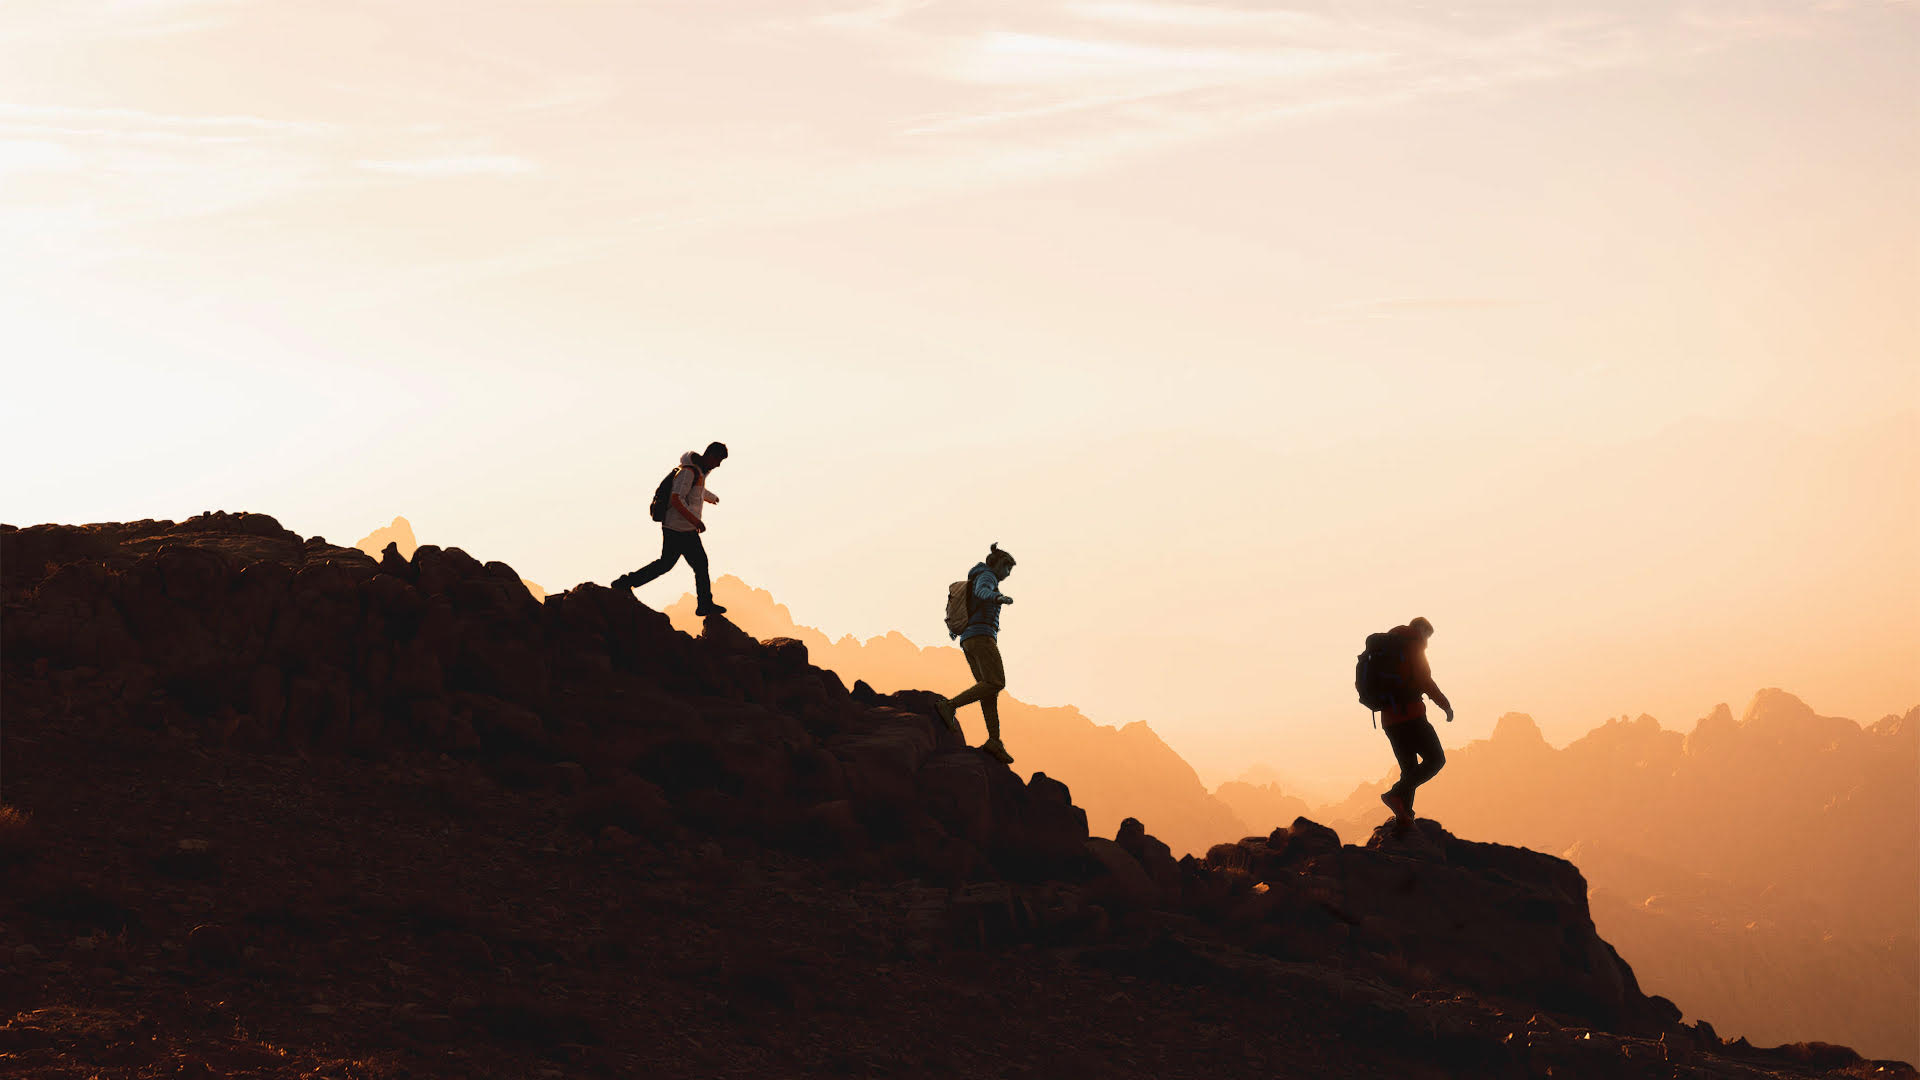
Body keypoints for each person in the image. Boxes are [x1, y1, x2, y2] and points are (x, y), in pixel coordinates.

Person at [613, 442, 729, 616]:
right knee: (698, 565)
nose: (718, 465)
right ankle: (704, 604)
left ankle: (625, 582)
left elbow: (696, 492)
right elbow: (676, 498)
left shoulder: (697, 472)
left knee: (667, 564)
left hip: (681, 528)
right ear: (711, 455)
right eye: (718, 460)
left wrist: (711, 498)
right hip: (679, 529)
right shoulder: (688, 472)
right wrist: (695, 521)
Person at [934, 543, 1017, 764]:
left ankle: (994, 741)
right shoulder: (987, 577)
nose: (1008, 574)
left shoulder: (980, 576)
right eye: (1007, 568)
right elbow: (982, 592)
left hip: (969, 640)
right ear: (998, 564)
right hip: (981, 638)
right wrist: (999, 598)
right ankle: (949, 706)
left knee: (988, 690)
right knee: (997, 682)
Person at [1378, 616, 1453, 828]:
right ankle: (1395, 794)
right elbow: (1426, 681)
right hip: (1412, 716)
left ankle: (1404, 816)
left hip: (1389, 721)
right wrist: (1445, 705)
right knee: (1436, 760)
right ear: (1420, 630)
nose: (1427, 642)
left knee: (1409, 769)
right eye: (1427, 636)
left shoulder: (1388, 647)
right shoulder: (1413, 647)